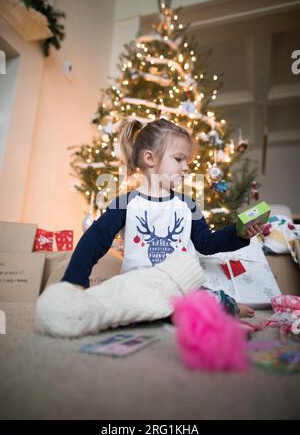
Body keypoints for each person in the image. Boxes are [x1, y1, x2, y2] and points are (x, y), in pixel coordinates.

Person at [62, 118, 261, 318]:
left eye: (187, 161)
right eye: (179, 159)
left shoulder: (187, 205)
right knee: (113, 304)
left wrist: (238, 233)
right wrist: (74, 282)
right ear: (150, 158)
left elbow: (206, 243)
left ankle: (216, 309)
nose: (186, 167)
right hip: (139, 285)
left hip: (182, 287)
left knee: (208, 300)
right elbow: (93, 240)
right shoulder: (127, 204)